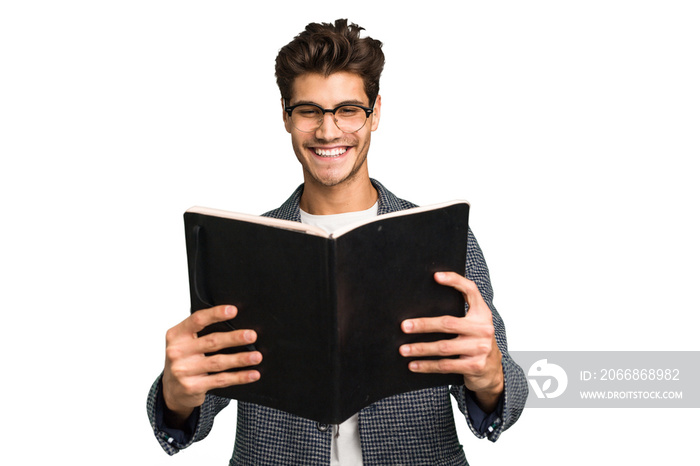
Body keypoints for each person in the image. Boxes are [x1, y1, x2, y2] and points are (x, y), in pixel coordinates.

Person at [147, 18, 527, 465]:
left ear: (376, 112)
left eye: (348, 109)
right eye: (309, 111)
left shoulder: (441, 236)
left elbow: (505, 394)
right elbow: (205, 384)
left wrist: (491, 378)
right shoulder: (242, 247)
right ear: (286, 115)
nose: (329, 132)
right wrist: (176, 393)